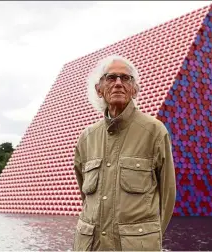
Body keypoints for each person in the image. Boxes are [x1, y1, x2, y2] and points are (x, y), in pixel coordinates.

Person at [72, 55, 177, 251]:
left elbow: (167, 195)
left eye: (125, 78)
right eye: (111, 78)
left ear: (134, 90)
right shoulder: (87, 138)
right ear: (99, 89)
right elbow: (86, 198)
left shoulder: (154, 132)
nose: (118, 83)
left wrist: (147, 240)